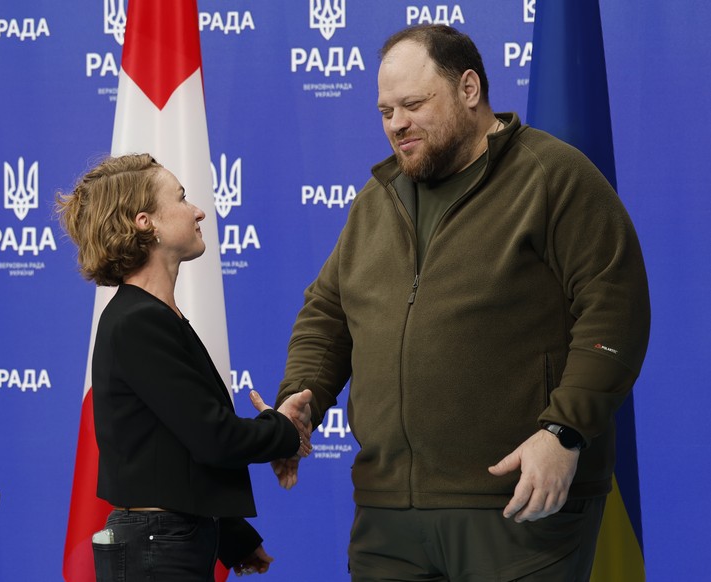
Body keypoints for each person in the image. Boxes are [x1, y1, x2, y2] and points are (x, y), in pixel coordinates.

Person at [274, 24, 650, 581]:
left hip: (522, 510)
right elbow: (327, 313)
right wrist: (300, 395)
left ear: (468, 89)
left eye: (412, 104)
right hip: (387, 519)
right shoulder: (376, 202)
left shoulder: (553, 178)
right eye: (384, 111)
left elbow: (614, 309)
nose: (395, 123)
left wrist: (563, 431)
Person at [56, 153, 313, 581]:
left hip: (169, 542)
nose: (199, 210)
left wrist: (232, 536)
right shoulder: (139, 320)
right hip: (158, 548)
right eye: (181, 198)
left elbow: (173, 447)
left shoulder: (154, 315)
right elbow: (214, 437)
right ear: (145, 222)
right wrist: (284, 430)